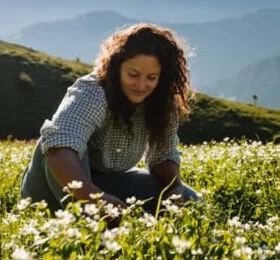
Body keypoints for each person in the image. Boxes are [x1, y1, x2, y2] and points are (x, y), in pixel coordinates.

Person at [20, 23, 201, 214]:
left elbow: (163, 156)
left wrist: (174, 187)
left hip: (107, 183)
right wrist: (95, 199)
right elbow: (59, 151)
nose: (141, 85)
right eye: (133, 74)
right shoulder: (93, 93)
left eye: (151, 77)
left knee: (191, 201)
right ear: (117, 67)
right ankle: (90, 228)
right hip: (54, 186)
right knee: (66, 148)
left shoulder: (161, 102)